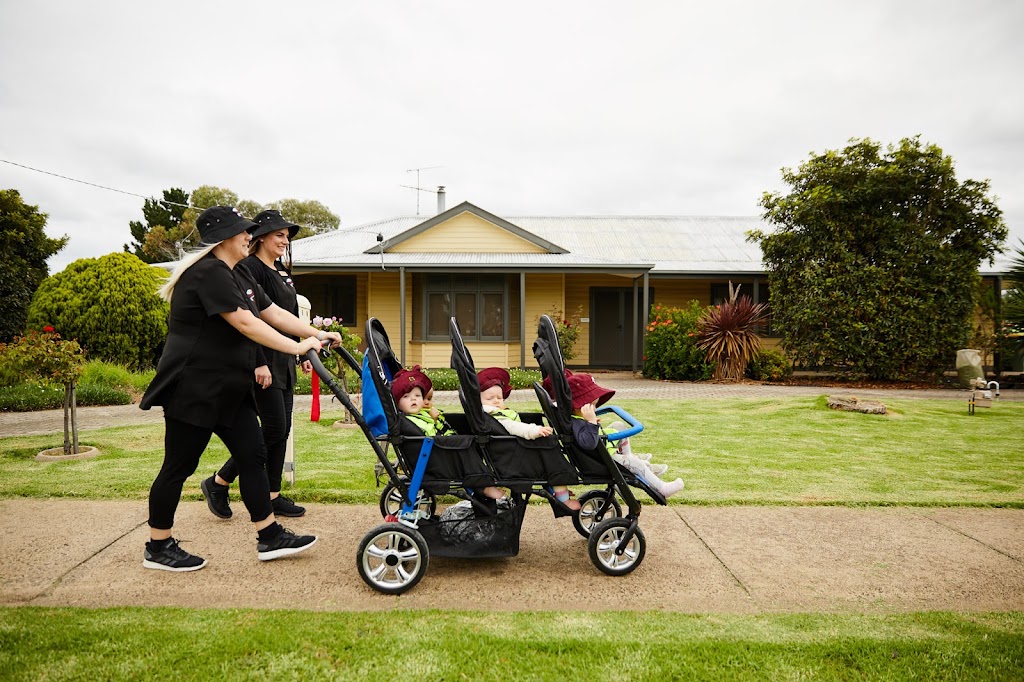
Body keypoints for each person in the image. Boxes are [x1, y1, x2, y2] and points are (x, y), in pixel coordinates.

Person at [139, 206, 341, 572]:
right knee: (178, 467)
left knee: (253, 454)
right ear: (223, 238)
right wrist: (297, 348)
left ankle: (269, 536)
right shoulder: (208, 273)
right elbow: (246, 324)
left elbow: (272, 314)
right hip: (195, 390)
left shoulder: (235, 274)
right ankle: (158, 545)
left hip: (229, 388)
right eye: (243, 231)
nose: (249, 235)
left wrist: (315, 333)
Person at [201, 210, 309, 520]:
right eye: (279, 235)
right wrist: (259, 362)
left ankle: (272, 494)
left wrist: (301, 353)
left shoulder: (280, 272)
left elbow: (285, 316)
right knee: (272, 429)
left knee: (281, 429)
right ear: (261, 236)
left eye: (287, 236)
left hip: (284, 359)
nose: (284, 241)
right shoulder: (249, 269)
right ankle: (219, 481)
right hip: (262, 363)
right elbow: (249, 318)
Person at [392, 365, 504, 500]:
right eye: (406, 396)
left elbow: (437, 425)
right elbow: (429, 434)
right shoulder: (408, 421)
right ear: (397, 403)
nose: (414, 399)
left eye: (417, 395)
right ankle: (484, 486)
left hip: (439, 450)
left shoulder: (423, 414)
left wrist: (435, 417)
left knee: (471, 444)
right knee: (467, 448)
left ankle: (482, 482)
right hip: (435, 457)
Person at [566, 373, 685, 498]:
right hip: (601, 459)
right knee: (635, 464)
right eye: (593, 405)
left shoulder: (575, 418)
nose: (595, 409)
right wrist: (591, 423)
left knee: (618, 425)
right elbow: (589, 444)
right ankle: (662, 488)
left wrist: (592, 423)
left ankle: (629, 456)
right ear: (580, 405)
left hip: (602, 450)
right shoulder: (576, 423)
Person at [478, 367, 580, 510]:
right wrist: (536, 430)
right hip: (515, 458)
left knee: (550, 456)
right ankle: (563, 499)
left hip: (514, 452)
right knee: (552, 458)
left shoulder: (496, 413)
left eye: (499, 398)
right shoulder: (495, 416)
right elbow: (515, 427)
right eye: (490, 398)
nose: (496, 401)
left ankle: (560, 489)